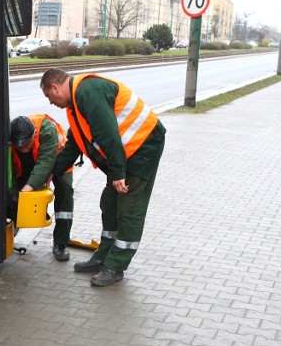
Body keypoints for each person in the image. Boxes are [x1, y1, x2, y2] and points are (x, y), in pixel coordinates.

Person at [40, 68, 165, 286]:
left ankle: (116, 266)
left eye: (50, 97)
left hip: (143, 148)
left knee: (129, 209)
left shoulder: (88, 93)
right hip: (125, 155)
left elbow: (109, 134)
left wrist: (118, 173)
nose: (51, 103)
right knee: (109, 203)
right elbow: (74, 144)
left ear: (55, 87)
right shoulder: (76, 104)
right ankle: (104, 256)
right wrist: (54, 171)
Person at [9, 114, 74, 261]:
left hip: (59, 159)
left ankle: (61, 242)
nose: (23, 148)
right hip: (33, 161)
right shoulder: (11, 137)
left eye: (27, 143)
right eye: (19, 145)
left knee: (64, 190)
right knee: (12, 195)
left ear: (35, 134)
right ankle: (10, 233)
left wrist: (28, 189)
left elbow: (46, 162)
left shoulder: (47, 130)